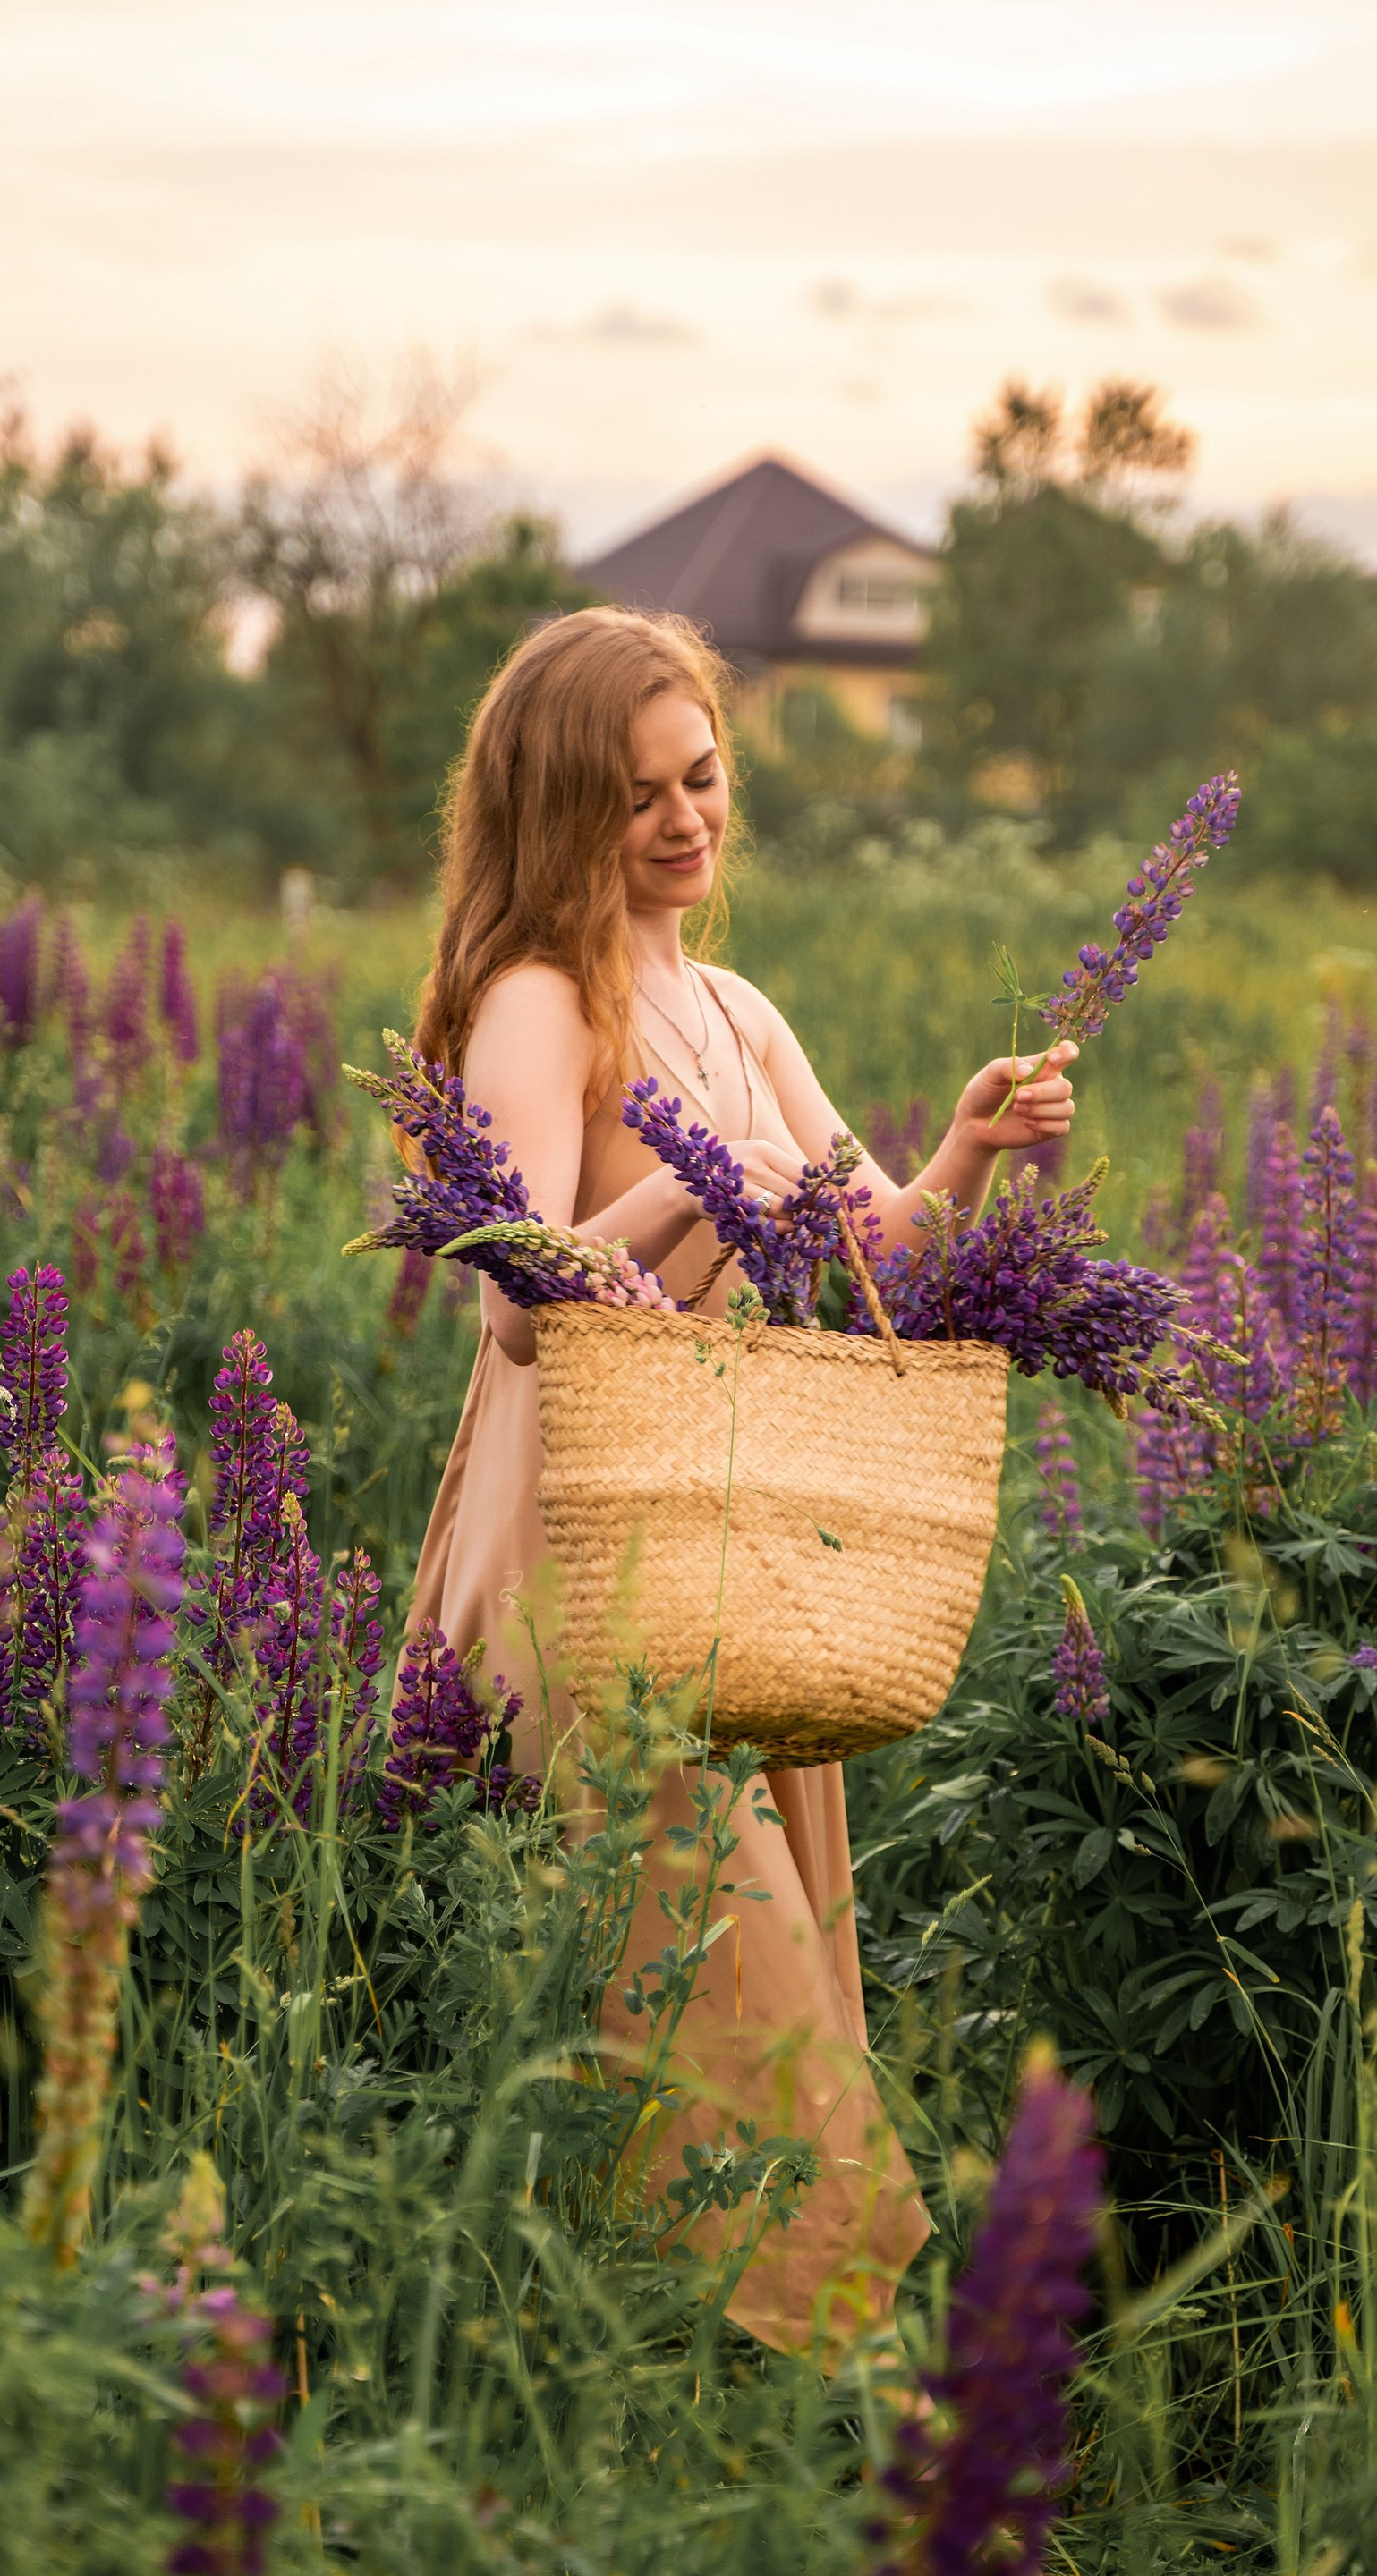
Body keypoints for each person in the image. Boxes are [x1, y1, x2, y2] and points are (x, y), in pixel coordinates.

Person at [410, 606, 1077, 2357]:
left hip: (724, 1547)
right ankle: (829, 2375)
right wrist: (688, 1185)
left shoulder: (730, 1004)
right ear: (559, 807)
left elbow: (879, 1252)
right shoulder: (538, 1000)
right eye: (634, 794)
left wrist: (964, 1148)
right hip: (585, 1556)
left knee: (720, 1999)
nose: (682, 818)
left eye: (699, 776)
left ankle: (692, 2382)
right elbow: (507, 1284)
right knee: (717, 1979)